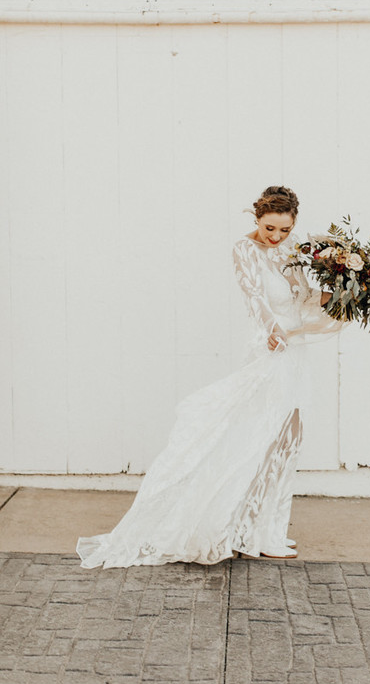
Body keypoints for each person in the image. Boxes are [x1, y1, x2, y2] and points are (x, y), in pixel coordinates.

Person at [76, 185, 341, 569]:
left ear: (294, 223)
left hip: (295, 350)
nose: (277, 237)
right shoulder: (244, 250)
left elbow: (302, 297)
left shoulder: (293, 249)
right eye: (270, 228)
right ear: (257, 218)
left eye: (284, 229)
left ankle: (268, 527)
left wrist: (347, 292)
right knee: (261, 437)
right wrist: (271, 330)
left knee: (290, 438)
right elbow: (255, 298)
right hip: (271, 349)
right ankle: (253, 531)